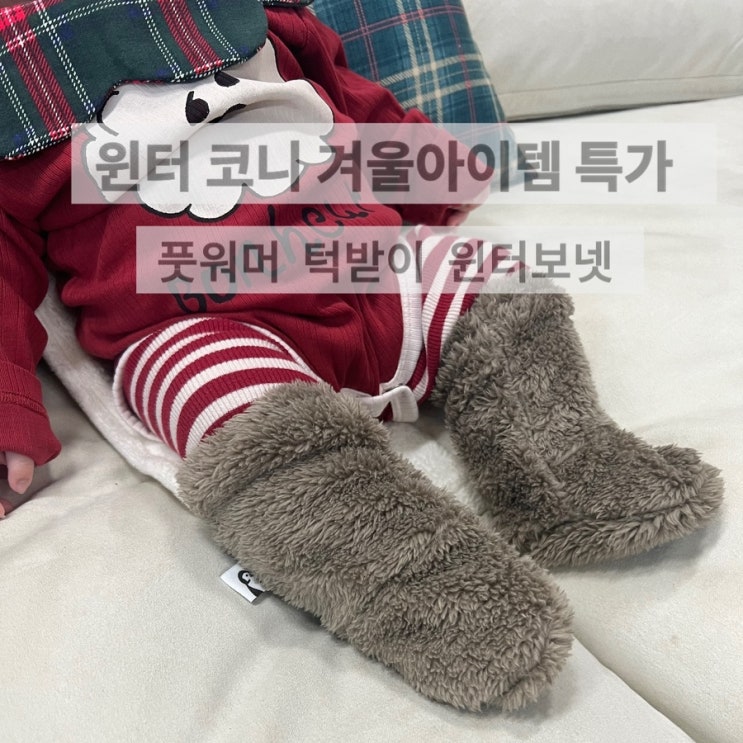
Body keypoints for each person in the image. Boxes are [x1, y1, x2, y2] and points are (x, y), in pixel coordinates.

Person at [0, 0, 723, 711]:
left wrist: (438, 176)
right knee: (234, 412)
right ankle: (417, 589)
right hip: (199, 321)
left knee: (492, 280)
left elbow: (353, 104)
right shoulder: (15, 85)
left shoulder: (255, 20)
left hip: (370, 269)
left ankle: (566, 472)